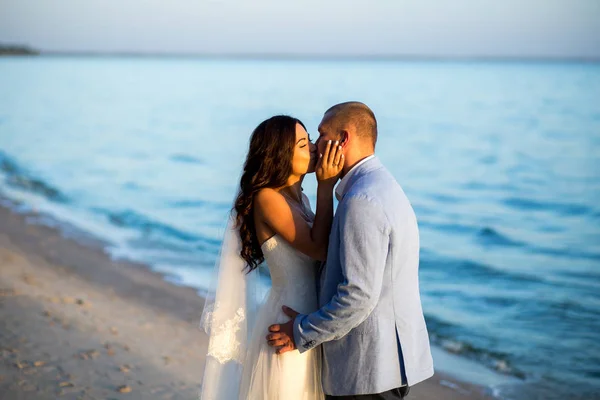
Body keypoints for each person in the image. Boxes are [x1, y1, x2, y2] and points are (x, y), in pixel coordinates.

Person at [266, 102, 434, 399]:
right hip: (384, 364)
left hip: (367, 368)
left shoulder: (362, 200)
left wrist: (301, 330)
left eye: (321, 135)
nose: (316, 146)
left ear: (342, 139)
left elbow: (358, 295)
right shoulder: (380, 184)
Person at [200, 115, 344, 399]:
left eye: (311, 141)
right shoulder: (268, 198)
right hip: (287, 323)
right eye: (304, 144)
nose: (315, 149)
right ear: (280, 155)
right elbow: (319, 249)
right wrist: (326, 187)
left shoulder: (297, 199)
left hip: (307, 321)